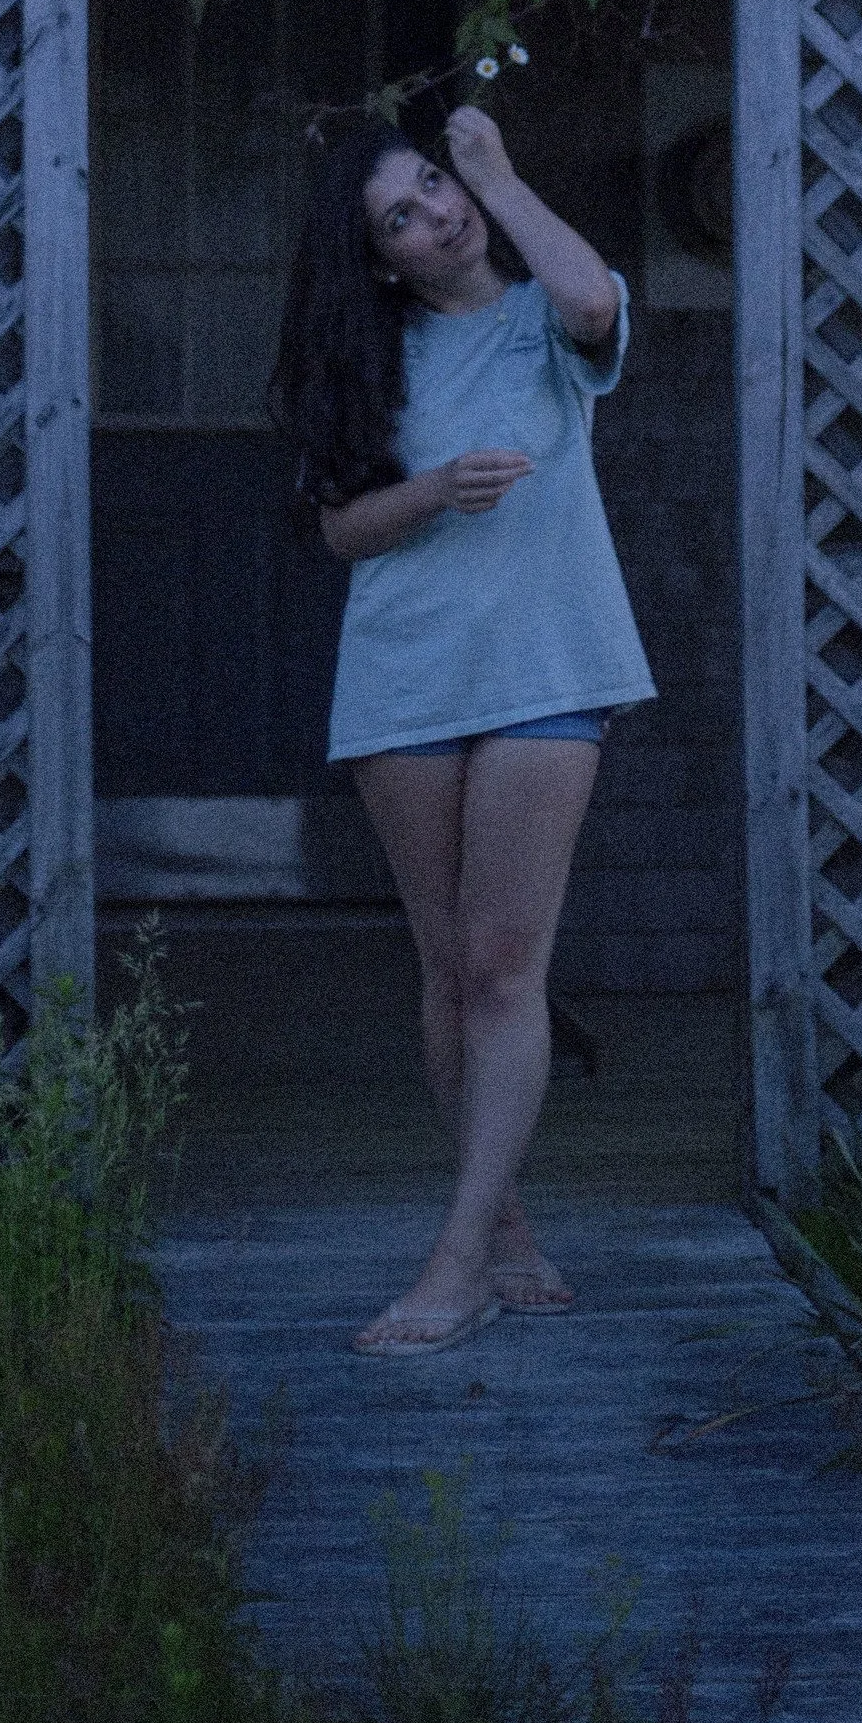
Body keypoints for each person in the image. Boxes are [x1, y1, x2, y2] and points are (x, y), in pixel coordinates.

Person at [272, 101, 654, 1354]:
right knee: (446, 970)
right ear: (382, 257)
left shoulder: (546, 312)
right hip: (405, 677)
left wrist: (499, 164)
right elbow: (338, 532)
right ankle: (506, 1227)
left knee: (501, 964)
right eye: (405, 214)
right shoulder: (366, 358)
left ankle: (454, 1258)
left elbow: (595, 301)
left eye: (434, 186)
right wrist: (432, 491)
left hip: (548, 666)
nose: (437, 213)